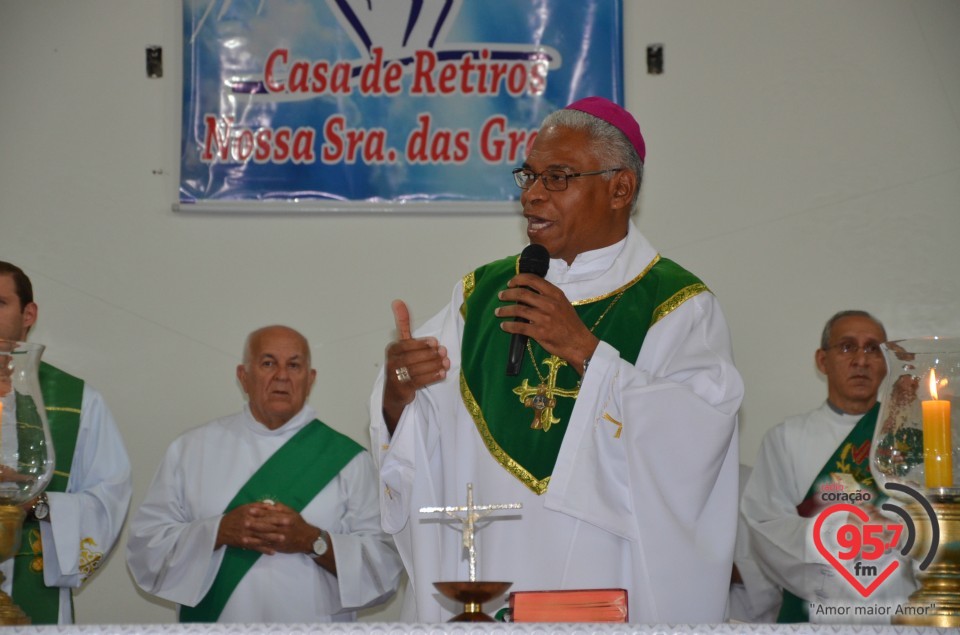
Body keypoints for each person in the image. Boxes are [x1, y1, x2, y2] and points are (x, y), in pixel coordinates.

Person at [368, 97, 744, 622]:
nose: (533, 195)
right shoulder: (479, 294)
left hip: (607, 582)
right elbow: (423, 444)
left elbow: (697, 445)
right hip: (487, 583)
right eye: (528, 176)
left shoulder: (677, 305)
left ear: (620, 189)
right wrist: (398, 392)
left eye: (558, 177)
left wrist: (585, 352)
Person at [126, 325, 403, 623]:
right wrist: (218, 532)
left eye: (294, 365)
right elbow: (146, 549)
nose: (282, 375)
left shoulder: (349, 461)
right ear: (243, 376)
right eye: (268, 363)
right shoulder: (191, 450)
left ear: (310, 380)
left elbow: (384, 566)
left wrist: (312, 541)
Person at [740, 310, 917, 623]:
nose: (861, 360)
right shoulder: (787, 438)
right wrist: (836, 535)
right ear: (822, 361)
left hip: (900, 610)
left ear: (886, 362)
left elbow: (932, 525)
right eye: (847, 347)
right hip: (817, 610)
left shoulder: (910, 440)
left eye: (873, 348)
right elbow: (765, 525)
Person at [0, 261, 132, 624]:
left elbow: (109, 499)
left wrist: (34, 504)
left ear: (29, 314)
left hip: (32, 589)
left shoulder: (78, 401)